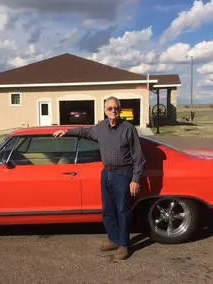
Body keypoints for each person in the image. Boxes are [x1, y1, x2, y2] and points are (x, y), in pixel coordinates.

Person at [53, 96, 146, 260]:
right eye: (109, 108)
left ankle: (124, 244)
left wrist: (135, 179)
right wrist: (67, 132)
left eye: (116, 108)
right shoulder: (101, 127)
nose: (113, 111)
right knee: (108, 210)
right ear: (105, 110)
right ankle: (113, 239)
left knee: (122, 211)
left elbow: (138, 157)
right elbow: (84, 131)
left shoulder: (128, 128)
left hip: (123, 174)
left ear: (120, 109)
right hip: (107, 173)